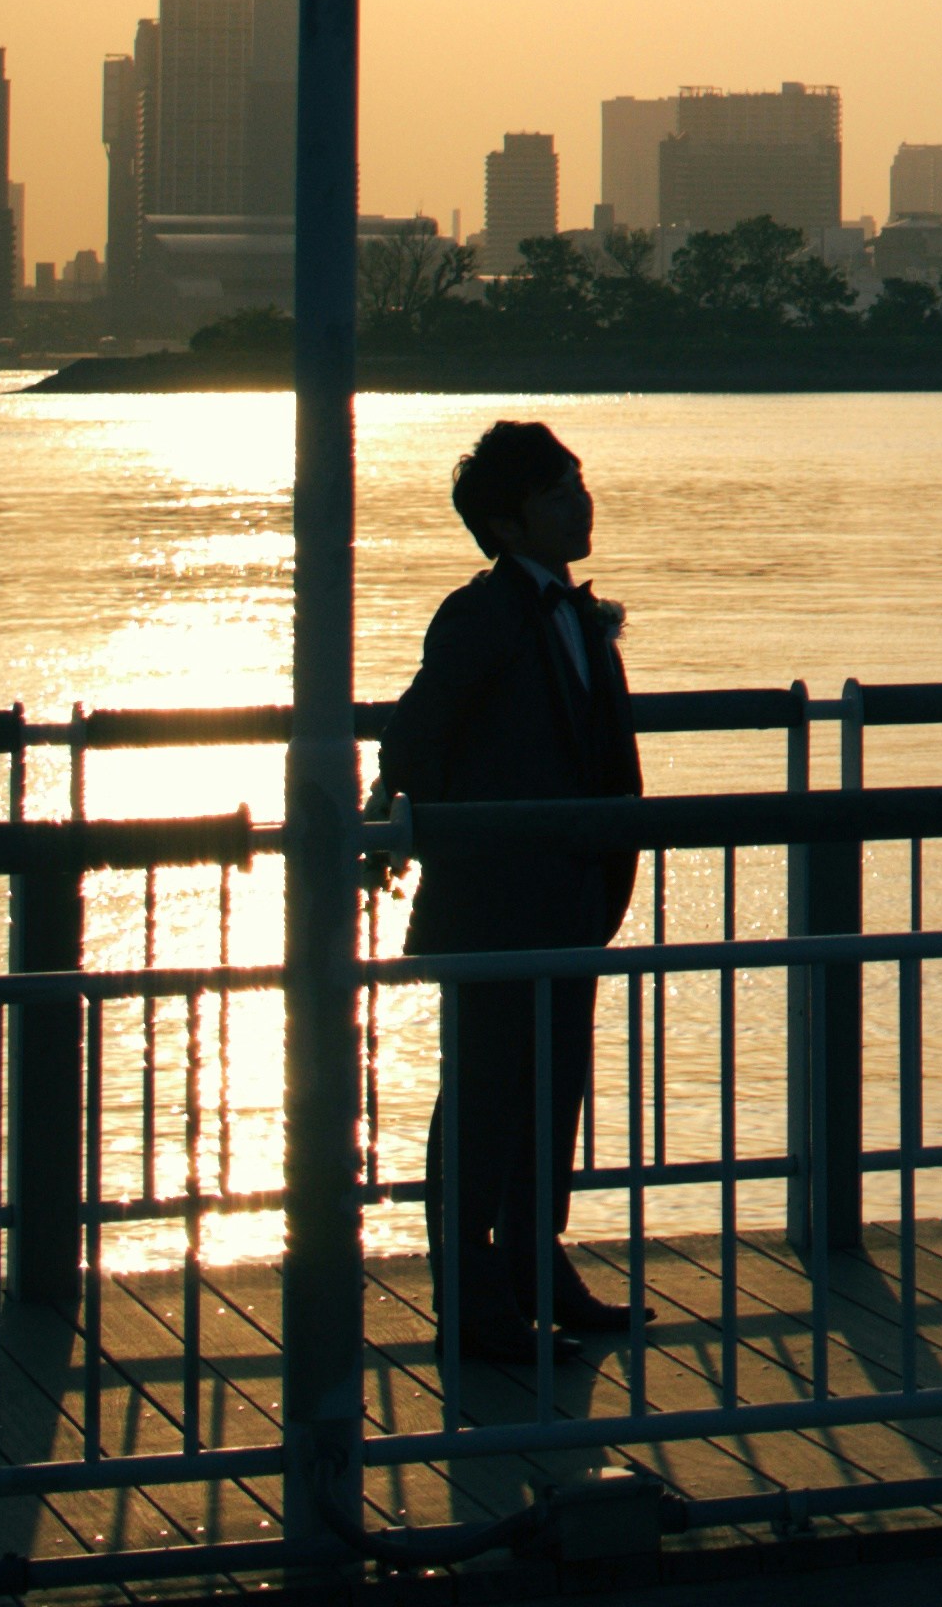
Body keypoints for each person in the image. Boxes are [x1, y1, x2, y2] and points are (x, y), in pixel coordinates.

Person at [371, 418, 643, 1364]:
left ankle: (537, 1263)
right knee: (485, 1099)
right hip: (494, 898)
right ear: (509, 520)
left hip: (570, 895)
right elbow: (417, 725)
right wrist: (391, 809)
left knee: (553, 1091)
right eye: (557, 488)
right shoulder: (481, 613)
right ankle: (472, 1299)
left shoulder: (574, 614)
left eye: (578, 478)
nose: (581, 498)